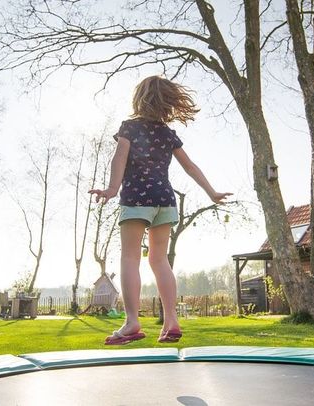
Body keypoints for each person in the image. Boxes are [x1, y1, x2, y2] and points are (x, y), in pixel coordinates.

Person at [89, 75, 231, 345]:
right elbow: (190, 166)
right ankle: (171, 321)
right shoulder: (168, 133)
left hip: (136, 199)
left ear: (139, 99)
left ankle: (131, 322)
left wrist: (111, 189)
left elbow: (119, 157)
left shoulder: (129, 128)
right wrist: (211, 192)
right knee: (159, 259)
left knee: (130, 258)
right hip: (165, 200)